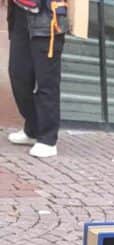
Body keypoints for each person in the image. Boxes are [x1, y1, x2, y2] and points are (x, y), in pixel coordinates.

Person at [6, 0, 67, 158]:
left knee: (47, 82)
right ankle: (32, 129)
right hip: (20, 12)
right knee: (18, 75)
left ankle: (48, 139)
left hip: (47, 17)